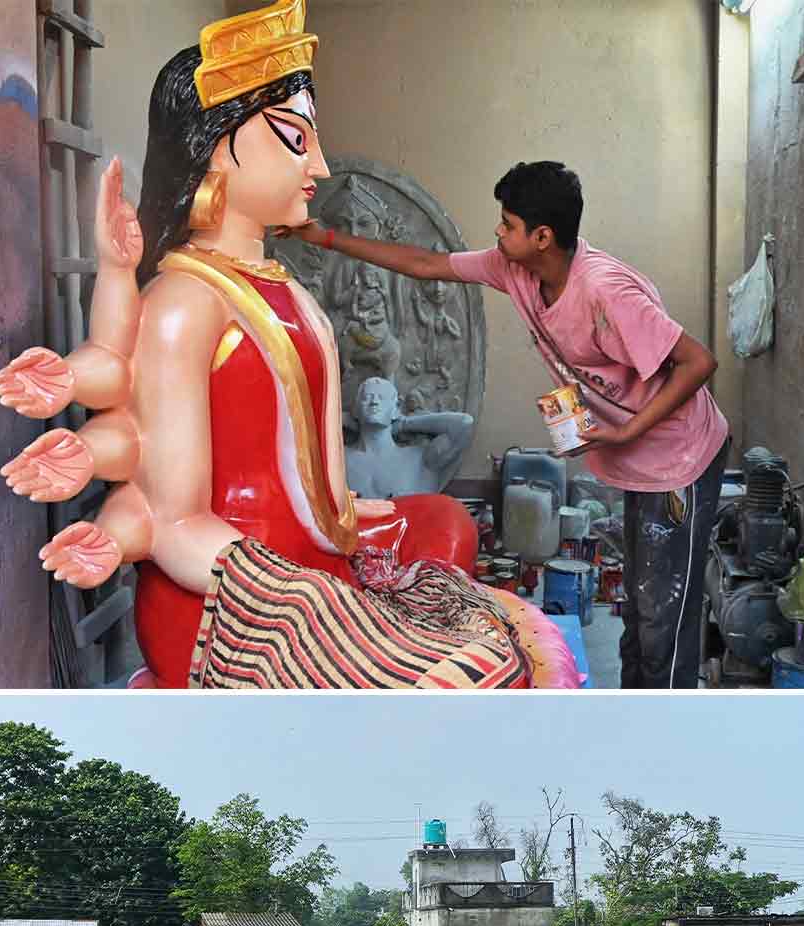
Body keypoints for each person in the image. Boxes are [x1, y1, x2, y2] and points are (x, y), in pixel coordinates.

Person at [0, 5, 579, 691]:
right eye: (295, 139)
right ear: (217, 146)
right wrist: (298, 593)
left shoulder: (281, 285)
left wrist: (340, 510)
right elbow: (175, 519)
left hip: (314, 556)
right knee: (475, 672)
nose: (320, 165)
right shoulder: (185, 303)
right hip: (235, 595)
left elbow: (302, 454)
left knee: (446, 526)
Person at [284, 160, 729, 689]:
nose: (499, 232)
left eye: (509, 223)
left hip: (680, 457)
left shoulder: (607, 292)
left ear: (543, 237)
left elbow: (698, 362)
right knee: (639, 605)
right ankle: (629, 719)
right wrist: (326, 237)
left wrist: (627, 433)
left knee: (666, 618)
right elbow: (426, 265)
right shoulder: (516, 268)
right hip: (638, 457)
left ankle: (668, 739)